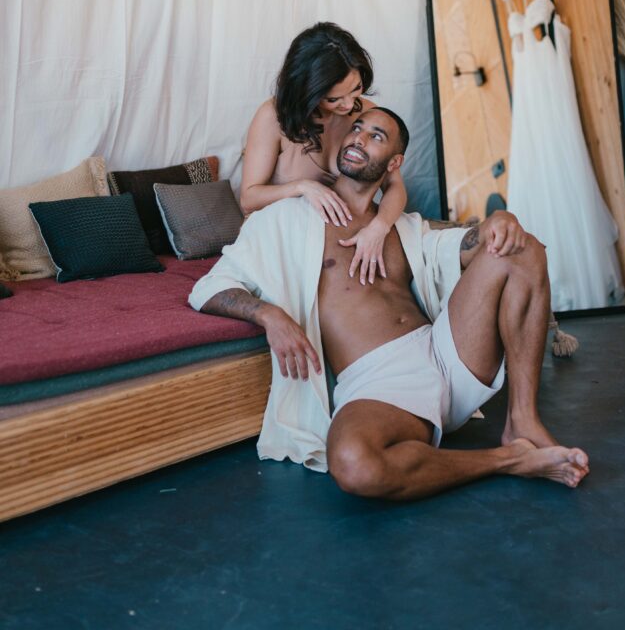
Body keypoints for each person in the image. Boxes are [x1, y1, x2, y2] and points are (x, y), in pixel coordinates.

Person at [189, 107, 589, 501]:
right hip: (378, 385)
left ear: (394, 163)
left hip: (449, 353)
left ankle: (522, 420)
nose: (359, 138)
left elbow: (469, 244)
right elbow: (210, 287)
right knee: (354, 463)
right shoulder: (285, 219)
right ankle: (509, 460)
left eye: (376, 136)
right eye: (356, 129)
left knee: (523, 248)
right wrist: (269, 315)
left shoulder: (403, 226)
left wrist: (500, 219)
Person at [240, 22, 407, 285]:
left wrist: (379, 227)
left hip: (332, 238)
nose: (349, 104)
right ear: (307, 91)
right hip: (277, 239)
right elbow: (249, 199)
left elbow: (395, 185)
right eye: (333, 99)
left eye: (356, 88)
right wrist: (303, 187)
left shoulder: (365, 114)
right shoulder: (273, 117)